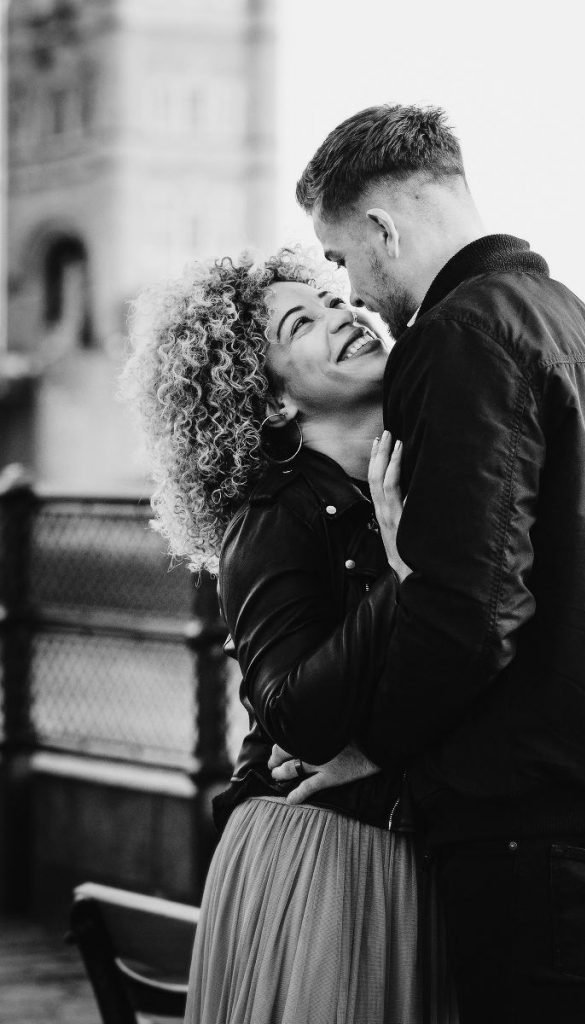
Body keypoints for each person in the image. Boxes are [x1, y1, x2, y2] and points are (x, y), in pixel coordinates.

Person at [291, 104, 585, 1024]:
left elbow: (470, 605)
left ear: (382, 228)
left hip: (543, 801)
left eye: (340, 259)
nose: (354, 290)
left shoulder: (457, 336)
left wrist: (372, 749)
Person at [121, 249, 456, 1024]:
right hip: (321, 857)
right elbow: (291, 716)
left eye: (335, 301)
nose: (343, 316)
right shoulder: (272, 514)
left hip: (412, 846)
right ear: (267, 402)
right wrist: (398, 573)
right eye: (300, 322)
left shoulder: (426, 477)